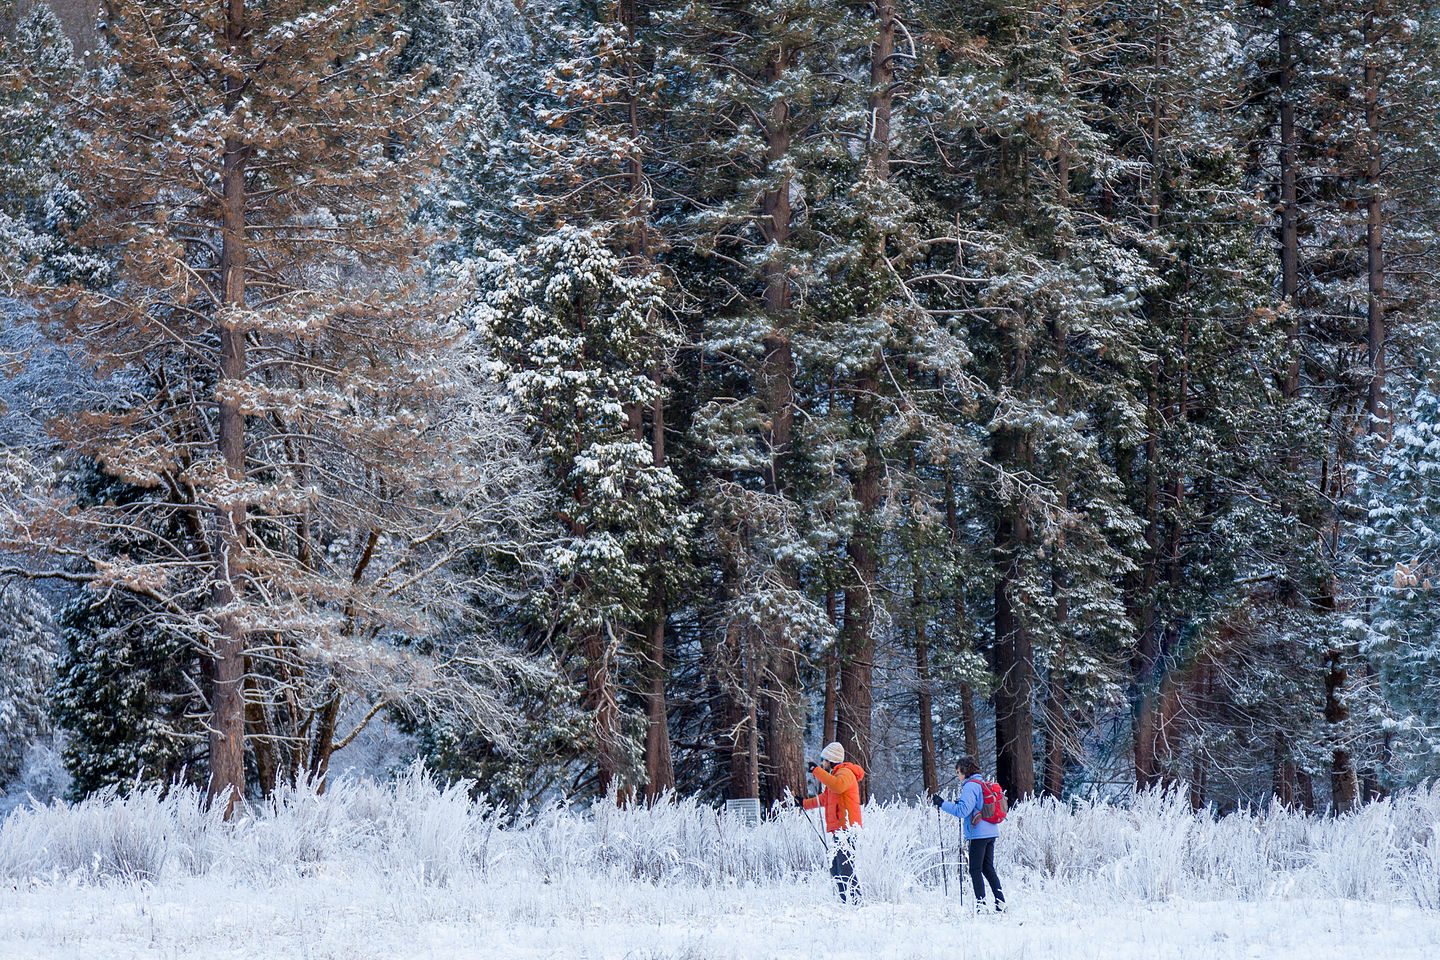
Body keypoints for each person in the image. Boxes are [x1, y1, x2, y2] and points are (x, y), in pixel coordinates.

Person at [932, 756, 1006, 914]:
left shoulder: (970, 786)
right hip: (991, 831)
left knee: (975, 869)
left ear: (965, 771)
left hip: (978, 833)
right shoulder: (981, 783)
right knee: (987, 868)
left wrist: (942, 803)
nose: (958, 775)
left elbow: (962, 811)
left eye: (958, 772)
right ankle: (1001, 903)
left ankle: (981, 905)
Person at [794, 741, 865, 902]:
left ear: (830, 760)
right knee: (836, 867)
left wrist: (817, 771)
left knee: (846, 867)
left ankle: (855, 902)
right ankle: (844, 901)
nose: (821, 762)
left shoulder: (845, 774)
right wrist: (803, 803)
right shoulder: (835, 777)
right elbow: (825, 799)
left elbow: (838, 787)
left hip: (847, 828)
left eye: (823, 759)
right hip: (838, 829)